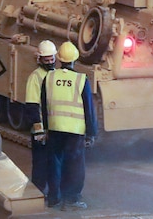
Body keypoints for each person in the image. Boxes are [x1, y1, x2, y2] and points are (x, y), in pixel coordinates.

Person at [44, 41, 97, 210]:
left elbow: (43, 105)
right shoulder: (81, 79)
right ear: (75, 60)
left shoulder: (49, 77)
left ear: (58, 59)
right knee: (74, 164)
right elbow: (89, 108)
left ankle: (54, 198)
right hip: (74, 130)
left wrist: (46, 128)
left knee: (55, 162)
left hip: (54, 127)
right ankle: (71, 199)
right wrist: (91, 133)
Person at [25, 39, 57, 200]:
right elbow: (31, 105)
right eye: (47, 59)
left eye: (52, 59)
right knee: (40, 164)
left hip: (53, 128)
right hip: (42, 130)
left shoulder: (55, 76)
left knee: (52, 164)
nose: (50, 62)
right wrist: (38, 130)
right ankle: (37, 194)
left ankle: (52, 194)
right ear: (40, 59)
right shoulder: (35, 77)